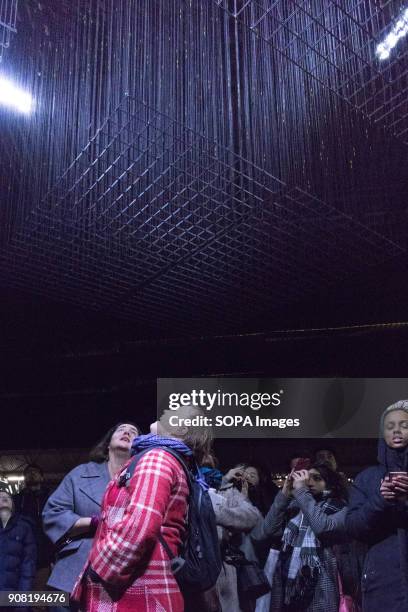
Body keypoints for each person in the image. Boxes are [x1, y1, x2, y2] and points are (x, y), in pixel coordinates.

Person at [71, 405, 213, 612]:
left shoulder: (157, 458)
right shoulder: (172, 459)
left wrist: (100, 567)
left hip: (135, 592)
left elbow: (140, 525)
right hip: (144, 588)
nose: (165, 412)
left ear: (181, 429)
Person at [42, 422, 140, 603]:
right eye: (121, 429)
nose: (127, 432)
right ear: (108, 444)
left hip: (122, 575)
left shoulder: (144, 479)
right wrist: (93, 522)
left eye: (133, 432)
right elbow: (52, 513)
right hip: (72, 572)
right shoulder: (80, 473)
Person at [248, 462, 348, 612]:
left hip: (320, 585)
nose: (309, 482)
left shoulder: (340, 508)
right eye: (307, 478)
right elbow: (267, 530)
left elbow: (321, 527)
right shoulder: (296, 506)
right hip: (287, 584)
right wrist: (284, 495)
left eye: (316, 478)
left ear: (330, 484)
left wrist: (301, 492)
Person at [346, 400, 408, 611]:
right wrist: (380, 500)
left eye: (404, 425)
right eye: (389, 426)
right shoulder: (367, 478)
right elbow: (353, 526)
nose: (397, 430)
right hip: (382, 579)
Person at [14, 464, 53, 592]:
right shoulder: (18, 499)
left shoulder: (51, 497)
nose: (31, 474)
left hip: (44, 554)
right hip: (22, 553)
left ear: (42, 477)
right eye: (28, 472)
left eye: (35, 472)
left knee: (40, 595)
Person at [0, 488, 37, 596]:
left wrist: (23, 601)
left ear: (13, 504)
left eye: (5, 499)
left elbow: (28, 567)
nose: (1, 503)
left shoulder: (24, 527)